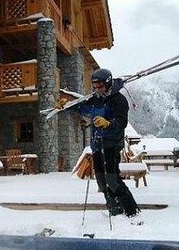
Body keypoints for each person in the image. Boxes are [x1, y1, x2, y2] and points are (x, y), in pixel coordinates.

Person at [56, 68, 142, 223]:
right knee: (102, 181)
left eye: (100, 86)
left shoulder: (118, 100)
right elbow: (81, 107)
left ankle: (132, 212)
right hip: (97, 144)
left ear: (108, 84)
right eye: (94, 86)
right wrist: (65, 105)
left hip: (111, 144)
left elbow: (121, 122)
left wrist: (108, 123)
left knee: (113, 179)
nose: (97, 89)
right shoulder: (95, 99)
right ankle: (114, 209)